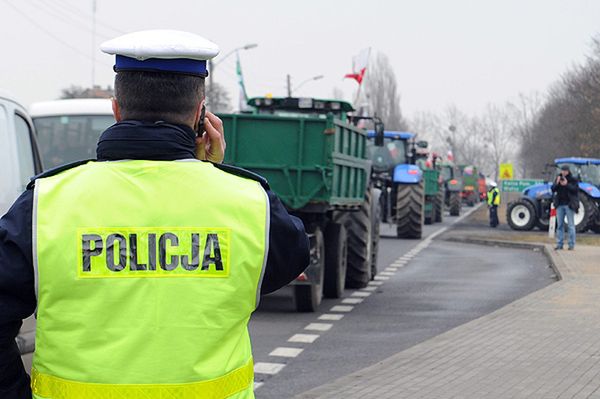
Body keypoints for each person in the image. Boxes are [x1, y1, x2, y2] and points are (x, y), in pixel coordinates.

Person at [0, 30, 309, 399]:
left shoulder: (45, 203)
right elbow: (289, 259)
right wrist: (213, 171)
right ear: (200, 115)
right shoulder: (250, 204)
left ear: (116, 110)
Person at [552, 165, 579, 250]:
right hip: (559, 204)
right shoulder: (558, 178)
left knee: (571, 225)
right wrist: (557, 183)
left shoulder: (573, 179)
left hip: (569, 205)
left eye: (565, 171)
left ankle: (571, 244)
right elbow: (553, 189)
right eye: (562, 170)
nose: (563, 172)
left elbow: (575, 190)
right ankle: (559, 244)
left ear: (568, 171)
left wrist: (567, 184)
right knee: (559, 225)